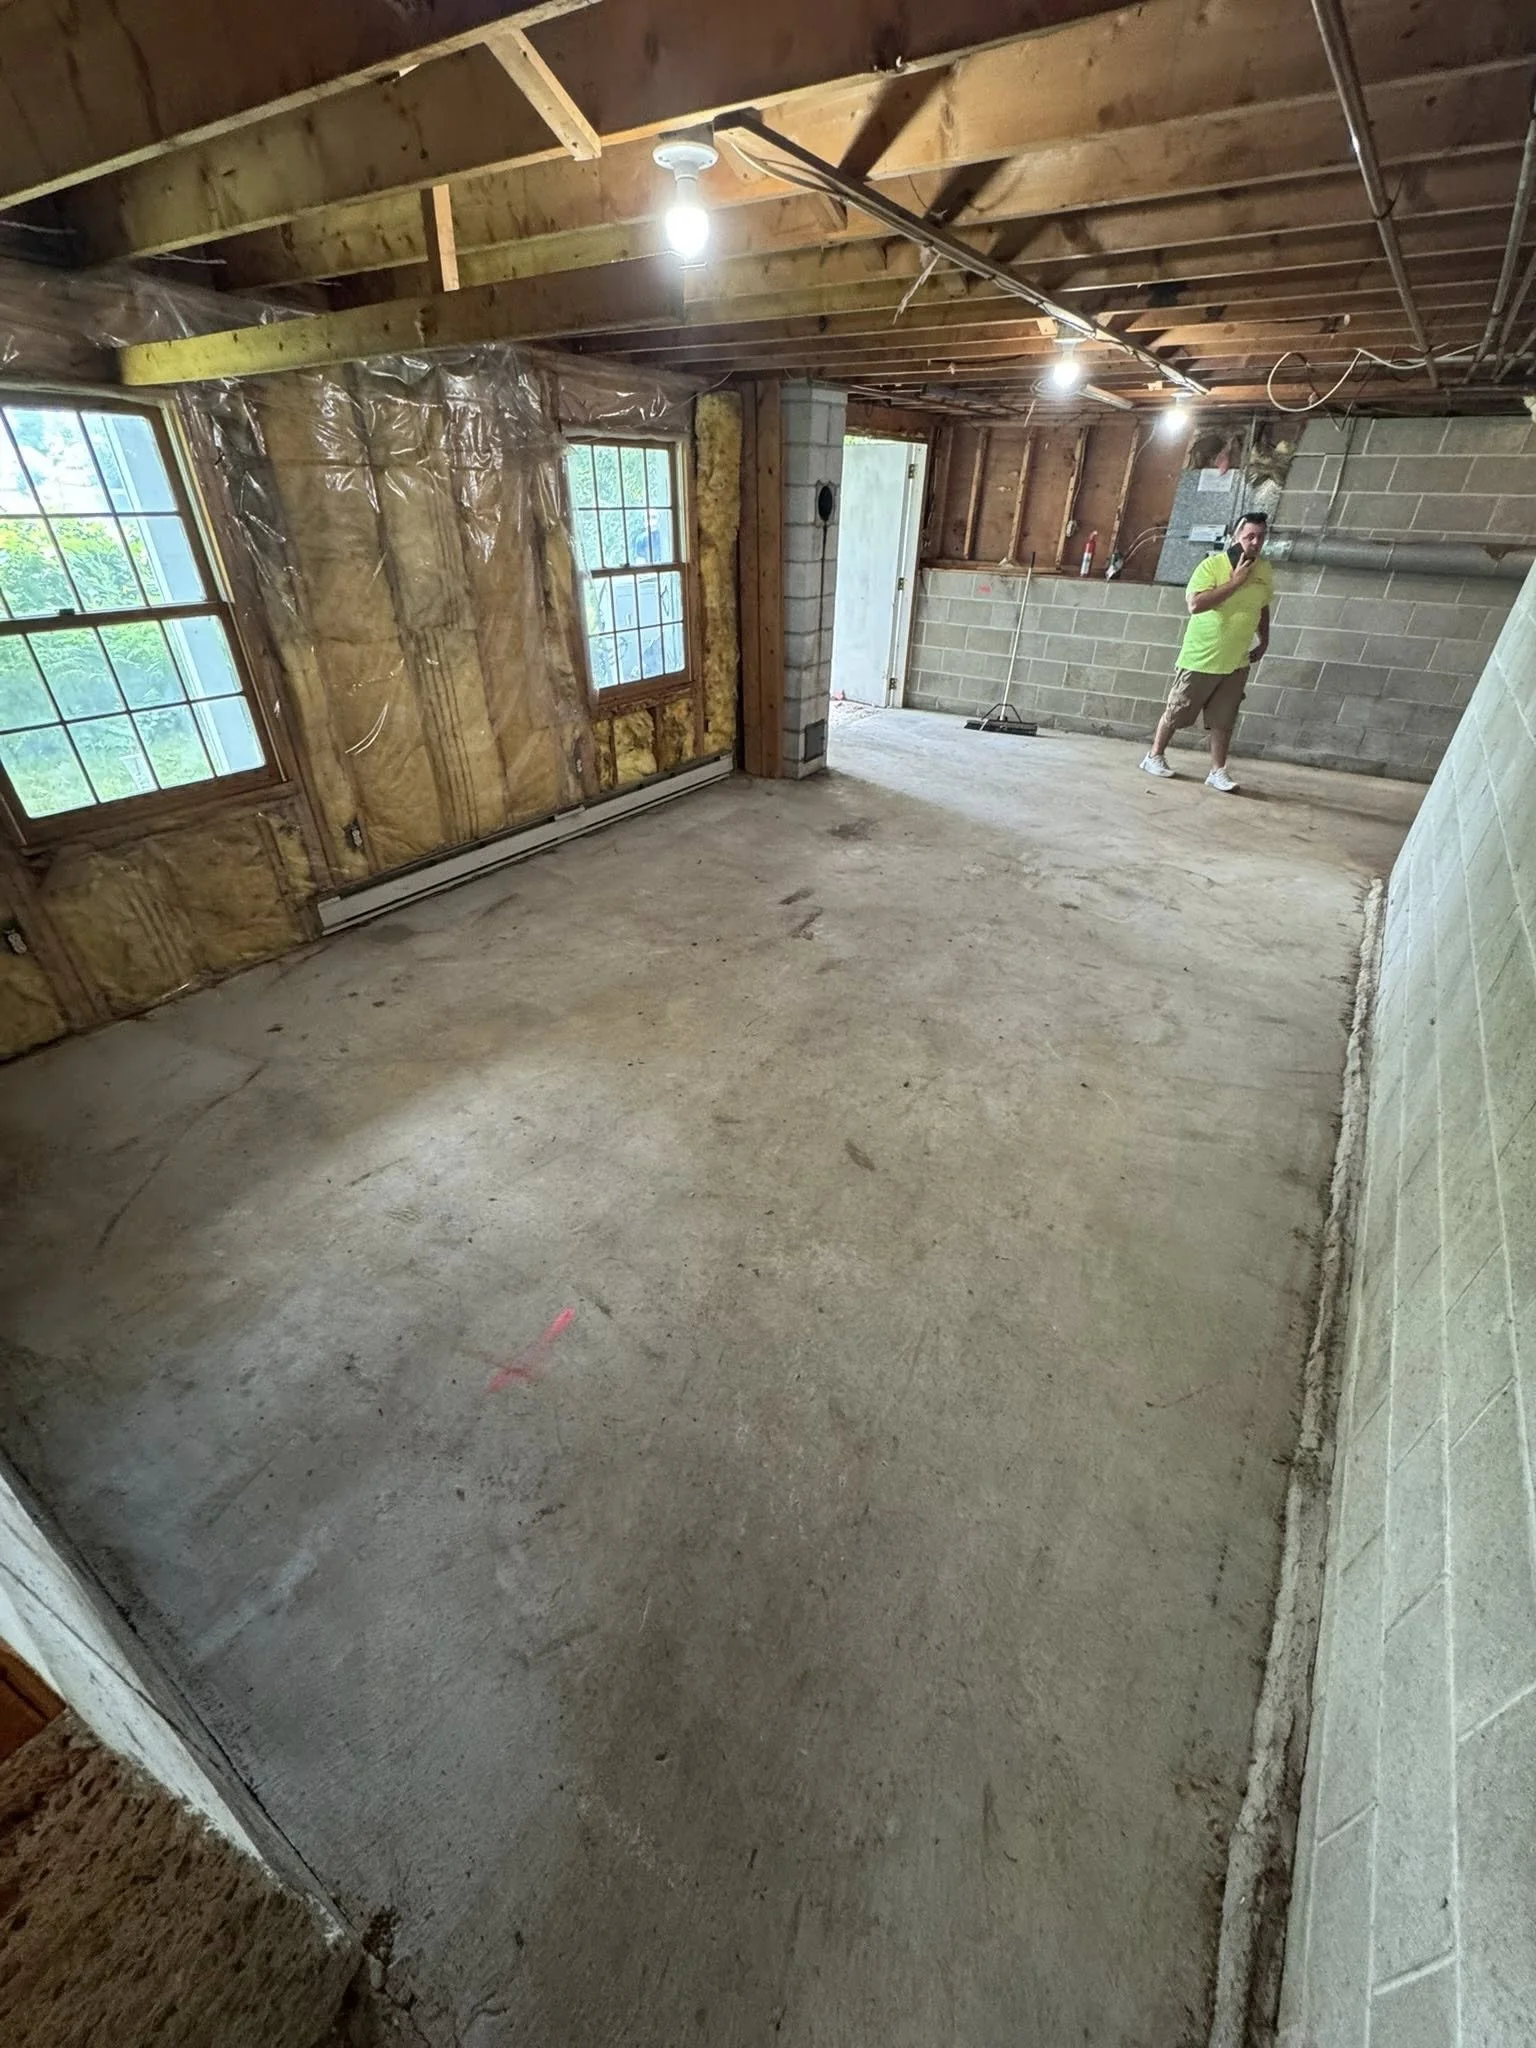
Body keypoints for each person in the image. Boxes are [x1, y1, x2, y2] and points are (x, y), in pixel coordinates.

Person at [1140, 510, 1273, 792]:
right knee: (1177, 711)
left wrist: (1264, 640)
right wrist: (1235, 582)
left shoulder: (1264, 571)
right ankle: (1154, 756)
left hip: (1236, 660)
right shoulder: (1211, 567)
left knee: (1224, 719)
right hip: (1201, 656)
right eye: (1249, 536)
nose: (1254, 542)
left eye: (1260, 537)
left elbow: (1263, 606)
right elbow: (1196, 605)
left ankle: (1217, 771)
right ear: (1236, 536)